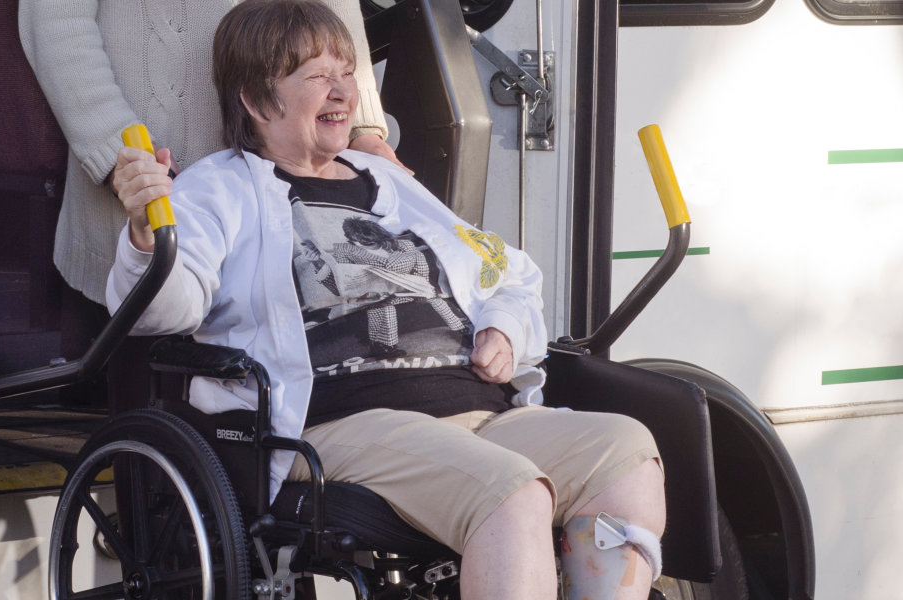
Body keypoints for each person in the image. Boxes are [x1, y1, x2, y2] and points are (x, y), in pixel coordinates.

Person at [107, 1, 669, 599]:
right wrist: (148, 236)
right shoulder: (217, 188)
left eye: (346, 72)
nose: (342, 91)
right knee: (511, 489)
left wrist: (503, 328)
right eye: (316, 76)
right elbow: (164, 311)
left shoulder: (389, 180)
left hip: (477, 415)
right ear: (256, 99)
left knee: (625, 449)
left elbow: (504, 270)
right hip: (342, 423)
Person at [20, 0, 408, 303]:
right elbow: (58, 26)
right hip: (146, 185)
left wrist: (361, 130)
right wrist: (117, 155)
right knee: (155, 361)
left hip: (289, 198)